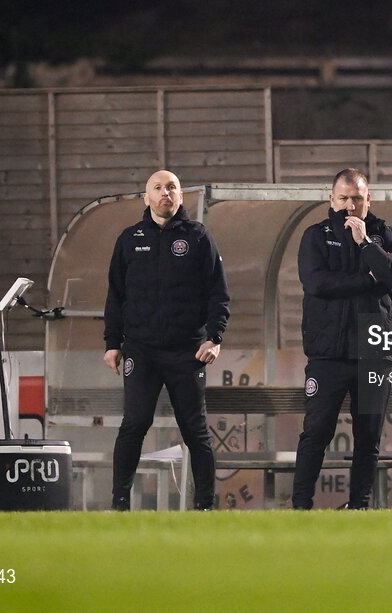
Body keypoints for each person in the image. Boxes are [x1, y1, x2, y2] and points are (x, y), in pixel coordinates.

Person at [103, 169, 230, 511]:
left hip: (187, 351)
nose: (165, 193)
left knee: (195, 431)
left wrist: (214, 338)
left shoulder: (199, 237)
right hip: (141, 351)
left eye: (171, 187)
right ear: (146, 198)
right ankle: (119, 506)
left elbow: (219, 293)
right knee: (134, 424)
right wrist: (112, 343)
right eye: (157, 188)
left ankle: (204, 506)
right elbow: (115, 296)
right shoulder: (129, 239)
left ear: (180, 196)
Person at [292, 168, 392, 510]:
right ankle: (300, 508)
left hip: (374, 352)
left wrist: (366, 244)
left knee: (368, 437)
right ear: (331, 199)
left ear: (368, 200)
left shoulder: (385, 235)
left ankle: (359, 507)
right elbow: (317, 283)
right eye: (343, 198)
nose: (349, 205)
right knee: (316, 433)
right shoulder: (316, 235)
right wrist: (368, 279)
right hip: (328, 354)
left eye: (357, 199)